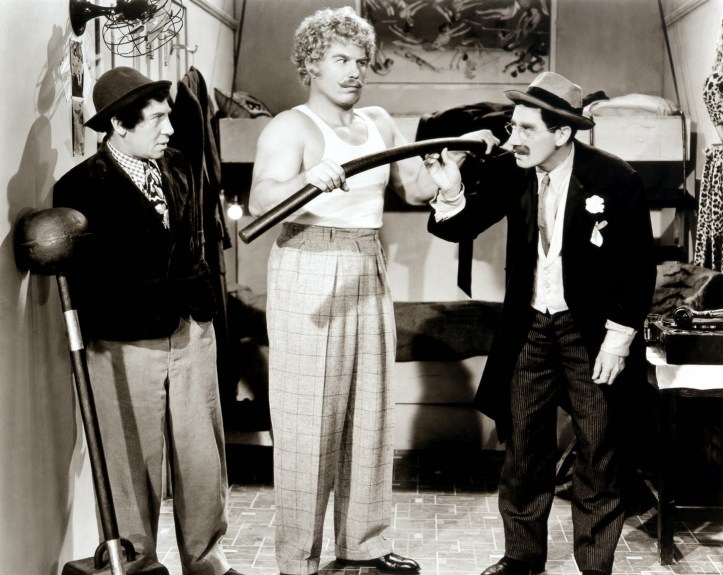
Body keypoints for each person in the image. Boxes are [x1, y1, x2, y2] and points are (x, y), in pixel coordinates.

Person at [247, 7, 496, 575]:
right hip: (309, 263)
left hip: (366, 259)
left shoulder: (379, 121)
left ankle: (364, 544)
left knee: (370, 409)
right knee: (308, 417)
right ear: (311, 65)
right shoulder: (289, 127)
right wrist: (307, 179)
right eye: (340, 60)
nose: (354, 71)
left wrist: (451, 168)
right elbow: (262, 200)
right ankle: (298, 559)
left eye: (361, 61)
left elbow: (413, 187)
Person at [425, 71, 656, 575]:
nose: (515, 139)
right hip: (529, 327)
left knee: (598, 450)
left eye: (528, 129)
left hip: (590, 332)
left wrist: (618, 340)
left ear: (562, 132)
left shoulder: (615, 179)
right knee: (524, 448)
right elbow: (461, 226)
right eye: (513, 127)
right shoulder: (512, 170)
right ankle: (522, 558)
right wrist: (450, 189)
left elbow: (638, 267)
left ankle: (594, 565)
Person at [53, 66, 243, 575]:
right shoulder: (80, 187)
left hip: (191, 329)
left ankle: (207, 562)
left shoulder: (176, 164)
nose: (170, 129)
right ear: (119, 124)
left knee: (202, 459)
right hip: (125, 344)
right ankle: (136, 563)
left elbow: (191, 243)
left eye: (168, 116)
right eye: (157, 119)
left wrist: (201, 307)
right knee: (129, 462)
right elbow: (86, 281)